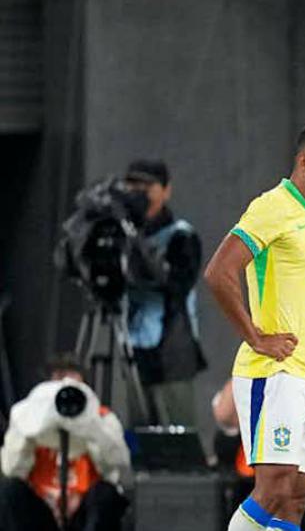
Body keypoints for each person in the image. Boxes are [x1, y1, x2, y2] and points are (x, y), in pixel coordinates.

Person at [204, 121, 305, 531]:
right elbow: (219, 272)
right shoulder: (273, 207)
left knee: (297, 498)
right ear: (304, 162)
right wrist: (256, 337)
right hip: (274, 373)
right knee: (272, 489)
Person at [212, 353, 305, 531]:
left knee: (299, 494)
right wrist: (247, 370)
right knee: (243, 491)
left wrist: (301, 383)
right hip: (269, 465)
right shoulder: (260, 364)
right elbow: (225, 416)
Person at [0, 353, 130, 531]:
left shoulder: (103, 417)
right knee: (9, 490)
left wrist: (92, 426)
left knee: (106, 493)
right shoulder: (28, 416)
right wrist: (26, 430)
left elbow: (117, 464)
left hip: (84, 511)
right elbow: (12, 470)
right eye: (60, 381)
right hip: (42, 510)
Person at [124, 159, 207, 426]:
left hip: (172, 350)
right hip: (134, 349)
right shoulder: (122, 233)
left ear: (166, 190)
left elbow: (177, 284)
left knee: (178, 432)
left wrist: (139, 248)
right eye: (133, 186)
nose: (139, 194)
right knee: (139, 431)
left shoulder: (181, 236)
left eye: (147, 186)